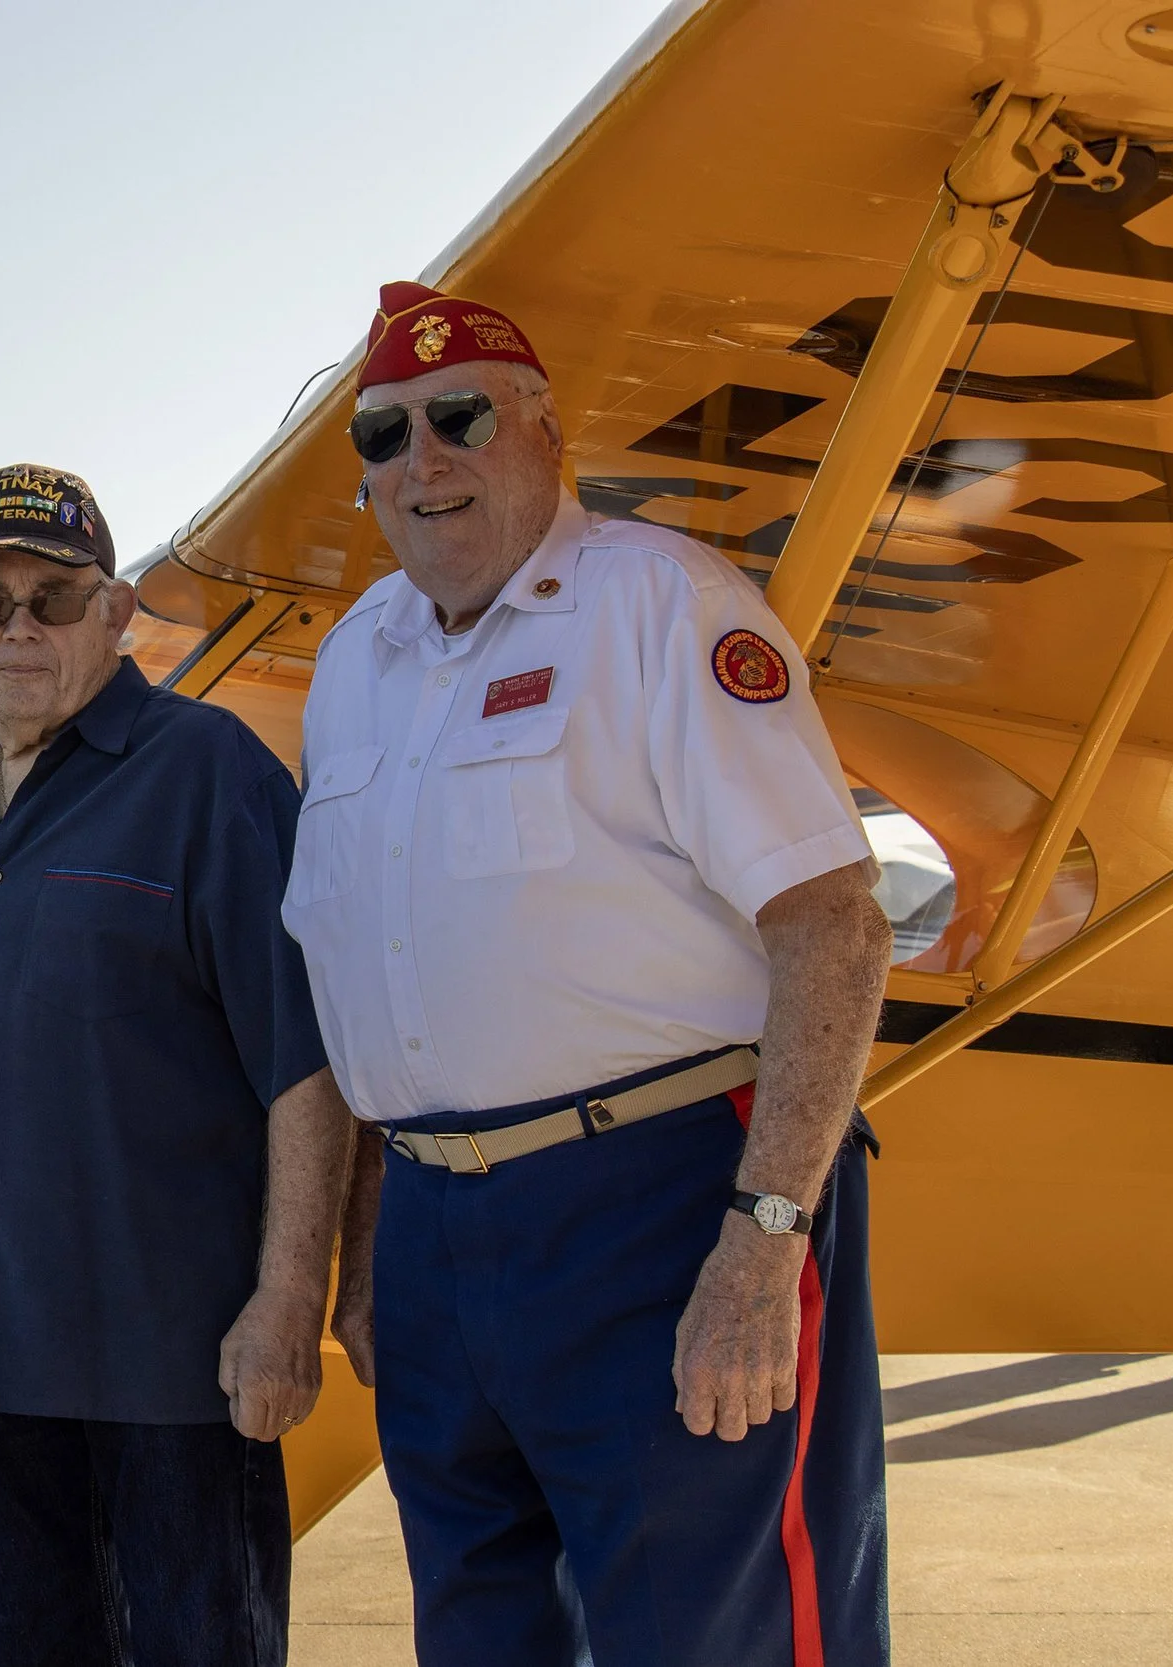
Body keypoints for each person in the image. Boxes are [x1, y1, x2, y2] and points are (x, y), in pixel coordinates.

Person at [286, 282, 894, 1666]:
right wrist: (371, 1246)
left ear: (547, 431)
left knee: (717, 1637)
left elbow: (835, 928)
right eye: (383, 434)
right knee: (480, 1634)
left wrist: (764, 1236)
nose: (421, 460)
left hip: (663, 1201)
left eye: (459, 417)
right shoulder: (354, 659)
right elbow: (369, 971)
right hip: (435, 1229)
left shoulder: (662, 603)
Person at [0, 464, 352, 1667]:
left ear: (115, 611)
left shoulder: (211, 773)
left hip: (172, 1365)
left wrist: (289, 1299)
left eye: (55, 597)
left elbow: (307, 1061)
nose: (18, 627)